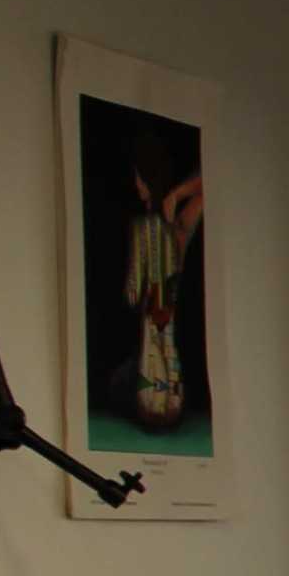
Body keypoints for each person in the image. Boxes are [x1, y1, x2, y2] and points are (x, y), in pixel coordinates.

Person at [122, 128, 202, 432]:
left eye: (140, 178)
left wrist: (176, 195)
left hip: (160, 313)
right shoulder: (157, 228)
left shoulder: (166, 228)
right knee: (158, 357)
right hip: (157, 315)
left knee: (161, 354)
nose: (136, 185)